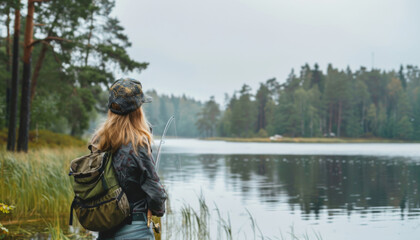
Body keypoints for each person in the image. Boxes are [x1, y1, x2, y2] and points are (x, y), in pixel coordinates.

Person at [91, 78, 167, 240]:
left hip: (105, 229)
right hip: (135, 229)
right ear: (137, 110)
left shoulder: (98, 142)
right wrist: (157, 208)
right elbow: (155, 194)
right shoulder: (138, 144)